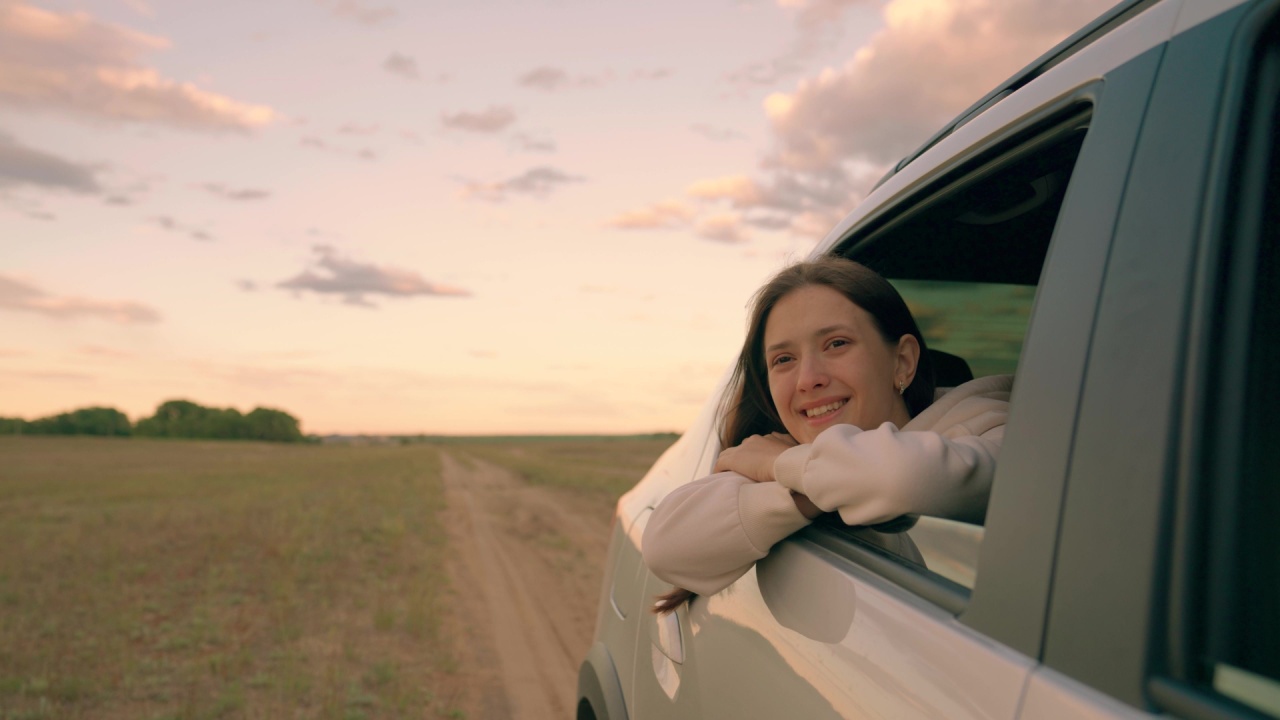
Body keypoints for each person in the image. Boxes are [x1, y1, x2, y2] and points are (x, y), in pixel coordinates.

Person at [642, 257, 1012, 613]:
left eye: (836, 344)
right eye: (783, 359)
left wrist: (779, 464)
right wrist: (806, 487)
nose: (808, 379)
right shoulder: (793, 459)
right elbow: (665, 546)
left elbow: (900, 477)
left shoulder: (996, 431)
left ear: (902, 362)